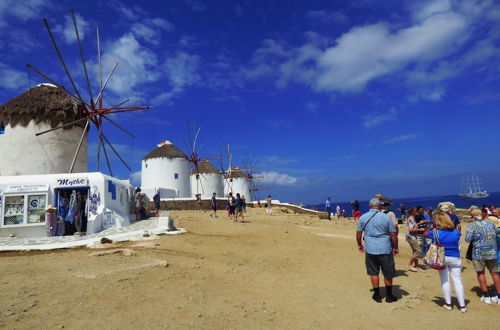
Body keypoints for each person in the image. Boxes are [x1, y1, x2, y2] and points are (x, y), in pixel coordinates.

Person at [356, 198, 399, 303]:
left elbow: (358, 233)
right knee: (388, 272)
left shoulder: (363, 217)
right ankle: (389, 296)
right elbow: (393, 234)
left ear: (370, 206)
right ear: (379, 206)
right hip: (385, 248)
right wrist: (396, 247)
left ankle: (377, 295)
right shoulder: (385, 217)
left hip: (370, 248)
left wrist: (360, 245)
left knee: (373, 272)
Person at [423, 211, 467, 312]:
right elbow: (458, 235)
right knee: (458, 281)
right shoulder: (456, 232)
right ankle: (462, 306)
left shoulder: (435, 232)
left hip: (442, 258)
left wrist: (431, 226)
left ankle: (448, 304)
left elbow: (425, 234)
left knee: (445, 281)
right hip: (455, 258)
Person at [465, 208, 500, 304]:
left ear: (473, 217)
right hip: (492, 251)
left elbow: (467, 239)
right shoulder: (490, 224)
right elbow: (496, 233)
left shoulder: (472, 226)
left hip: (478, 253)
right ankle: (499, 296)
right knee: (495, 273)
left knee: (481, 273)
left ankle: (486, 295)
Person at [405, 207, 424, 272]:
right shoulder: (411, 219)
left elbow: (413, 226)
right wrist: (419, 229)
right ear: (412, 212)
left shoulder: (412, 218)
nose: (417, 212)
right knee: (418, 251)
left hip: (413, 236)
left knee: (415, 251)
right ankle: (410, 264)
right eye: (416, 211)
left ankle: (416, 266)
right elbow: (410, 229)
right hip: (411, 237)